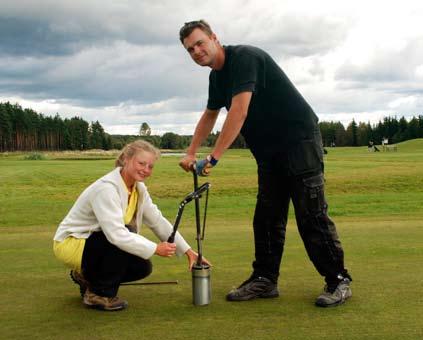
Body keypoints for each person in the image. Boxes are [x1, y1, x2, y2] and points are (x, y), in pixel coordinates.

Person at [178, 20, 352, 307]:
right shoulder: (216, 78)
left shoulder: (245, 58)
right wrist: (191, 152)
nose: (196, 51)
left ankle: (338, 280)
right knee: (267, 216)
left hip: (299, 141)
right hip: (268, 151)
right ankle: (265, 280)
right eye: (190, 49)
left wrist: (214, 156)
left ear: (214, 38)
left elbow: (239, 110)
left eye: (200, 43)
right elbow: (210, 115)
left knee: (311, 214)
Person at [53, 140, 210, 311]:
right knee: (127, 233)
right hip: (72, 243)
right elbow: (116, 235)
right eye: (141, 163)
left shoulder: (138, 189)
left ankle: (87, 276)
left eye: (150, 166)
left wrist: (188, 251)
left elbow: (157, 221)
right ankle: (98, 294)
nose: (146, 170)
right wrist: (156, 248)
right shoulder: (107, 189)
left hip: (96, 243)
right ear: (126, 160)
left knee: (141, 267)